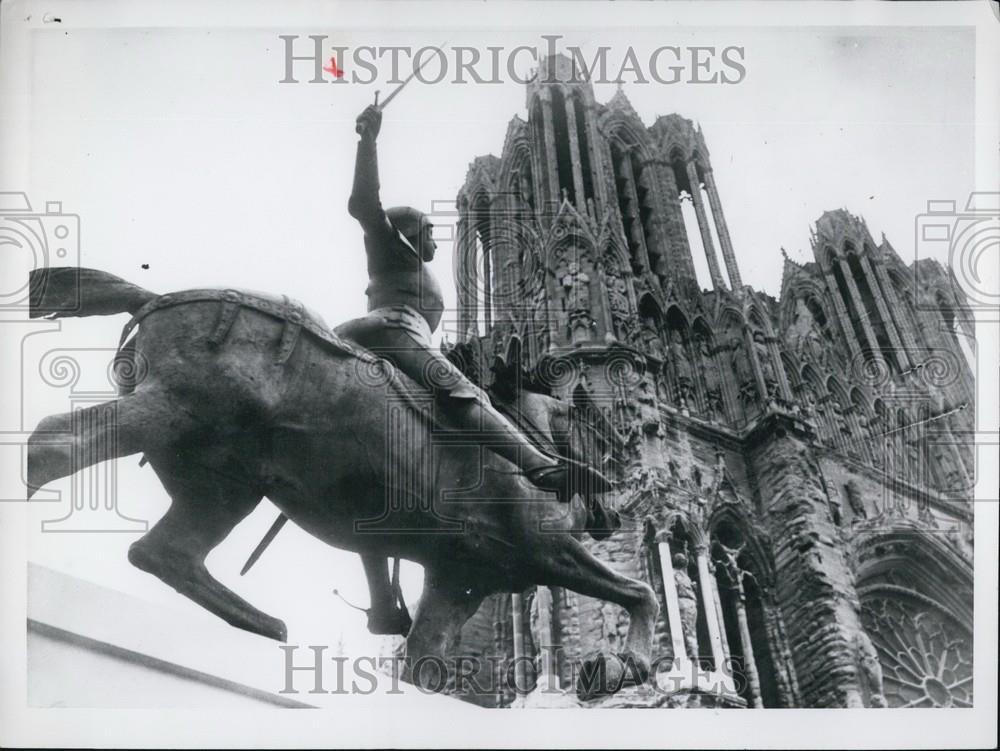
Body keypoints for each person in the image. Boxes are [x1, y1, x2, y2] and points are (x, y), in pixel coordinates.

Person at [337, 104, 613, 634]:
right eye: (429, 231)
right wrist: (368, 141)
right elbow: (363, 204)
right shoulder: (391, 249)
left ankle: (382, 601)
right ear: (408, 233)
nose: (436, 241)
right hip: (393, 334)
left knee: (377, 476)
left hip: (396, 340)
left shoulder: (409, 265)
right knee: (467, 396)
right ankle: (540, 465)